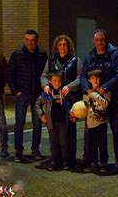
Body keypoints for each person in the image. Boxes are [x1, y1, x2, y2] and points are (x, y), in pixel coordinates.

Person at [80, 29, 118, 170]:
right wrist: (87, 89)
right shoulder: (89, 57)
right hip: (94, 100)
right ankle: (91, 159)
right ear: (93, 41)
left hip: (111, 98)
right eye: (97, 39)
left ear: (106, 40)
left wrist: (105, 87)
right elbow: (82, 76)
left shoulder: (115, 54)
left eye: (102, 39)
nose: (100, 42)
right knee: (93, 130)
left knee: (116, 130)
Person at [41, 34, 82, 169]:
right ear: (56, 47)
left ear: (69, 46)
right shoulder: (51, 60)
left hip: (69, 100)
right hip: (53, 100)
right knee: (55, 134)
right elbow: (44, 75)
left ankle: (69, 160)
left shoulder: (76, 60)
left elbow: (80, 78)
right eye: (60, 45)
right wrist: (45, 84)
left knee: (70, 131)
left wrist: (69, 87)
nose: (62, 47)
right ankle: (56, 159)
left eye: (65, 44)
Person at [7, 29, 48, 162]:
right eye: (27, 40)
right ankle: (18, 152)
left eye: (32, 40)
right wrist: (15, 91)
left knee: (37, 123)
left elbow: (46, 73)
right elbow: (9, 74)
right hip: (22, 94)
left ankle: (35, 150)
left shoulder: (42, 55)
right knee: (20, 123)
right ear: (24, 40)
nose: (30, 43)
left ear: (36, 41)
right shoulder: (16, 54)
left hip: (37, 94)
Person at [36, 71, 71, 171]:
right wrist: (41, 115)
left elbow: (72, 104)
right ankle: (54, 160)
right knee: (54, 142)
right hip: (51, 123)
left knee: (63, 142)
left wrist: (73, 112)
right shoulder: (46, 93)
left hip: (63, 122)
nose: (57, 83)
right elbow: (37, 104)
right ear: (50, 81)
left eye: (59, 81)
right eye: (54, 81)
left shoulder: (64, 92)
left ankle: (65, 161)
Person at [81, 69, 110, 173]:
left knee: (102, 144)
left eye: (97, 78)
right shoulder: (86, 92)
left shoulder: (104, 91)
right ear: (89, 80)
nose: (95, 80)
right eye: (92, 78)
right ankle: (93, 162)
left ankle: (104, 163)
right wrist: (74, 112)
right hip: (90, 123)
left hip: (101, 122)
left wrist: (93, 94)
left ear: (101, 79)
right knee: (92, 145)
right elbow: (83, 106)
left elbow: (105, 104)